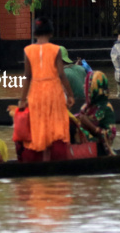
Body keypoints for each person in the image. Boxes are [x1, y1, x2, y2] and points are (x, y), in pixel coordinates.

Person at [17, 17, 76, 162]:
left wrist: (22, 99)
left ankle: (41, 159)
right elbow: (61, 75)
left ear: (35, 33)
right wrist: (70, 95)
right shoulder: (56, 50)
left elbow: (27, 76)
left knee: (39, 125)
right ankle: (56, 158)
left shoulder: (28, 50)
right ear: (51, 33)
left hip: (36, 93)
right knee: (56, 125)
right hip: (54, 92)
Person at [74, 71, 117, 156]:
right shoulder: (86, 107)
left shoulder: (106, 108)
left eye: (87, 85)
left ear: (94, 89)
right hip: (83, 148)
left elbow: (110, 136)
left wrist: (90, 126)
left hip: (100, 149)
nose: (84, 86)